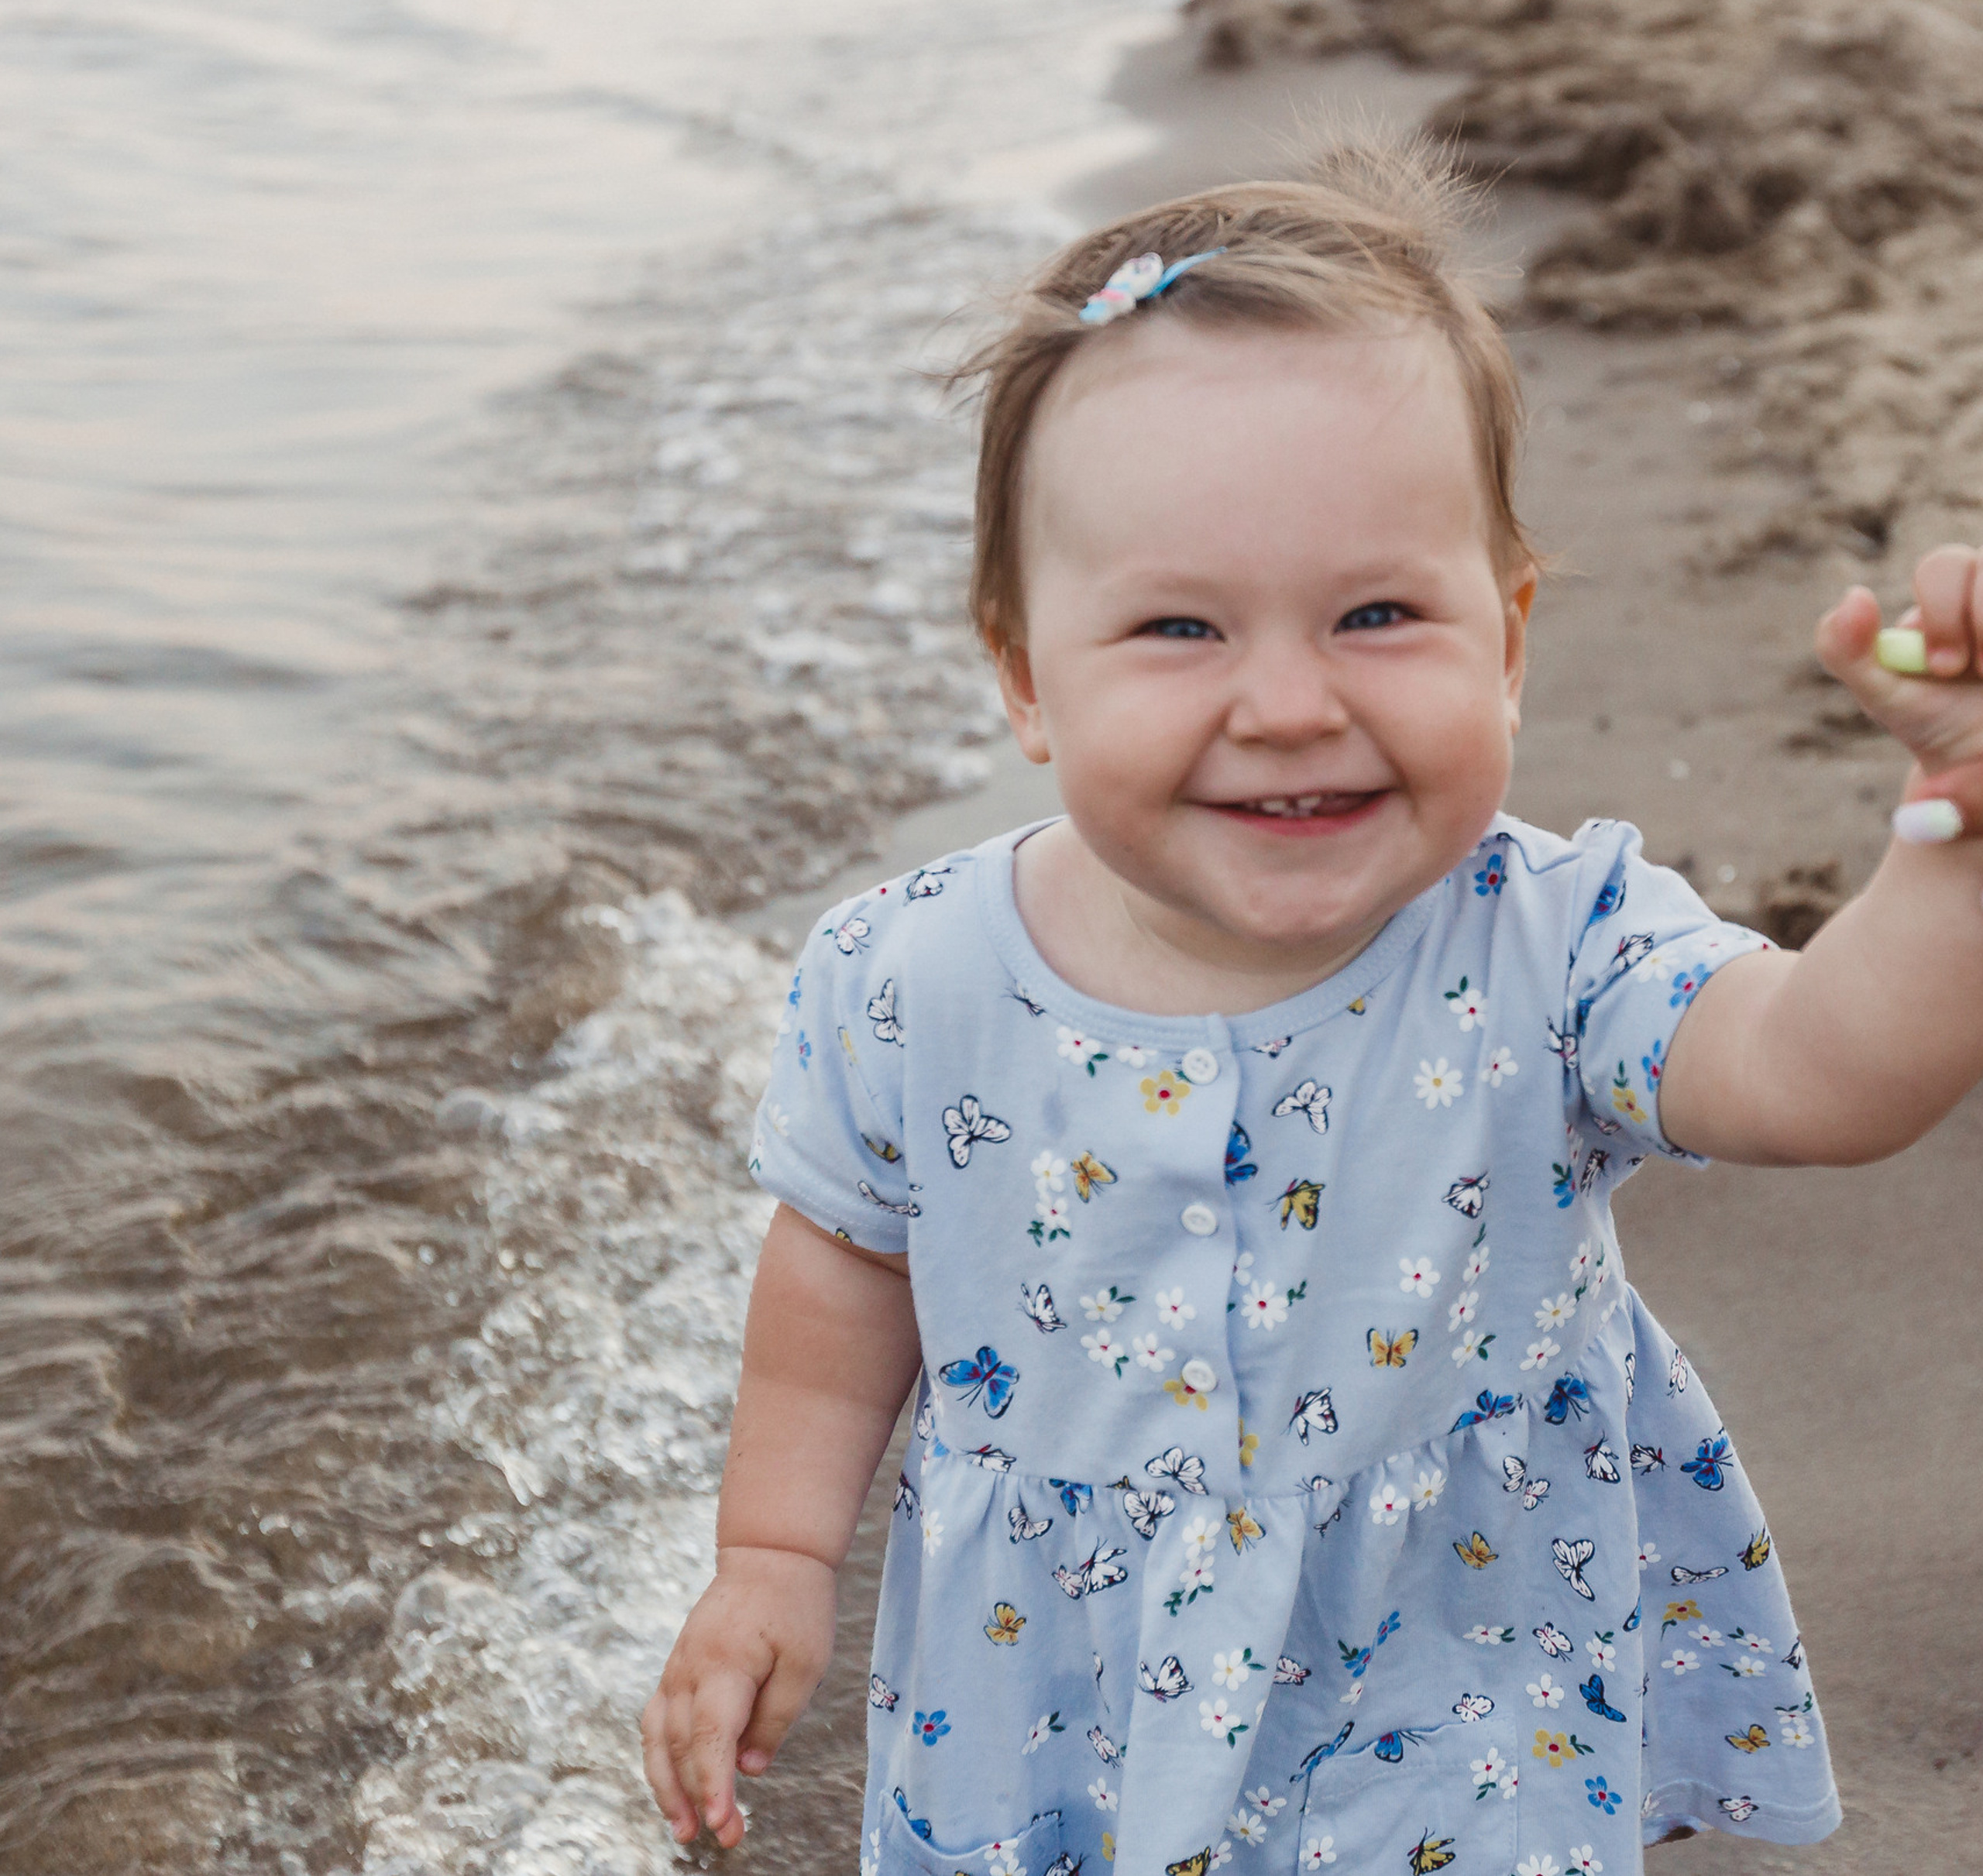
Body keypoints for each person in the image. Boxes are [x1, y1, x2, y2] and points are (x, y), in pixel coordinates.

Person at [640, 144, 1983, 1876]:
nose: (1286, 703)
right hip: (1057, 1699)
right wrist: (768, 1553)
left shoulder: (1546, 936)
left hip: (1458, 1681)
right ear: (1021, 672)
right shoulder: (910, 978)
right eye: (1180, 626)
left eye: (1375, 613)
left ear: (1501, 640)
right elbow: (843, 1258)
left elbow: (1820, 1072)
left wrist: (1950, 845)